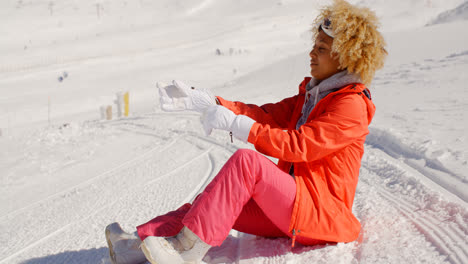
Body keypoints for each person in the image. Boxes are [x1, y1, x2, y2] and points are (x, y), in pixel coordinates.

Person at [104, 0, 387, 263]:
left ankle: (186, 249)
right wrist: (212, 103)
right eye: (315, 45)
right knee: (214, 200)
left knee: (246, 163)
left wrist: (236, 125)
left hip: (322, 216)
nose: (312, 53)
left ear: (347, 57)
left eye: (322, 49)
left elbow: (299, 146)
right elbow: (263, 115)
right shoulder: (312, 96)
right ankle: (137, 244)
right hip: (293, 209)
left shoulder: (350, 105)